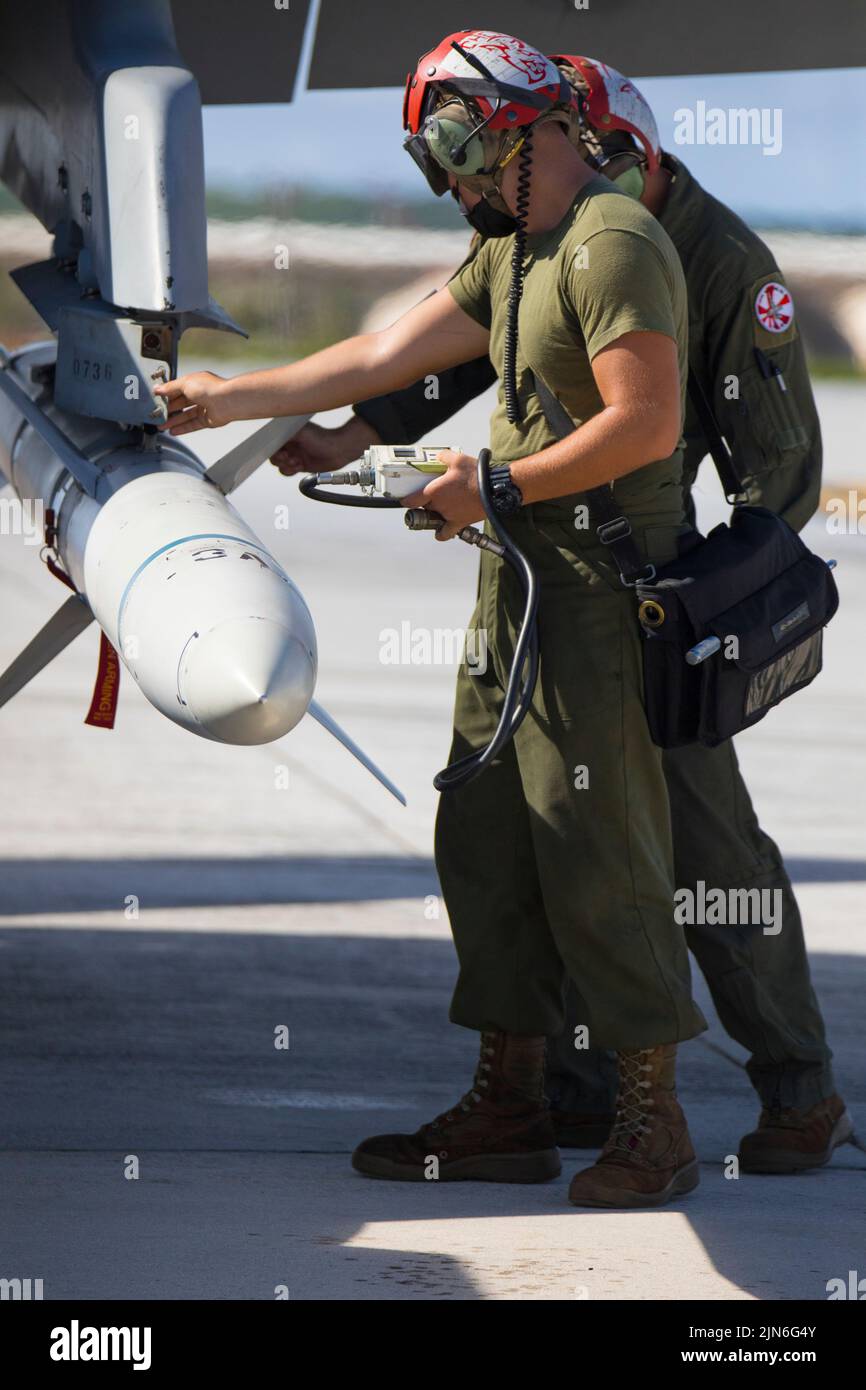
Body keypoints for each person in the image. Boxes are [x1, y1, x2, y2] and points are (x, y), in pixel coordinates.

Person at [271, 51, 851, 1177]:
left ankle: (797, 1089)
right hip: (560, 576)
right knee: (545, 835)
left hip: (669, 600)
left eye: (607, 161)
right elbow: (479, 338)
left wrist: (705, 626)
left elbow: (776, 476)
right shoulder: (548, 223)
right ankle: (569, 1093)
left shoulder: (723, 262)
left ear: (643, 156)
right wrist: (357, 431)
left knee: (703, 849)